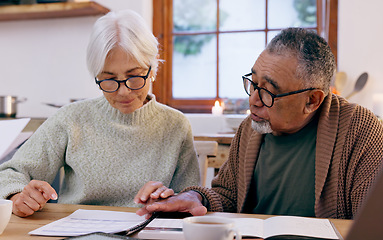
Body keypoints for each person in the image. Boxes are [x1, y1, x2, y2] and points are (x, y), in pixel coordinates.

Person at [136, 27, 383, 220]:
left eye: (269, 92)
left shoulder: (361, 130)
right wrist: (194, 197)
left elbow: (370, 223)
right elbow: (227, 196)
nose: (253, 100)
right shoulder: (250, 128)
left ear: (312, 100)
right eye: (253, 83)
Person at [0, 10, 200, 217]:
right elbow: (8, 174)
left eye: (134, 76)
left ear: (152, 69)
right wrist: (17, 196)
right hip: (76, 230)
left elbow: (190, 199)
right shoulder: (72, 118)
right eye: (109, 79)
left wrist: (170, 201)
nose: (123, 91)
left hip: (146, 230)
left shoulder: (175, 125)